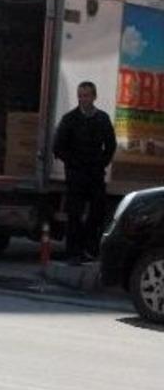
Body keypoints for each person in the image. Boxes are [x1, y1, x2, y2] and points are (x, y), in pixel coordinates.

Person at [52, 81, 116, 264]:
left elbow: (110, 145)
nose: (83, 99)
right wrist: (73, 164)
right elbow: (58, 147)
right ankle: (73, 252)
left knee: (97, 213)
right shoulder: (70, 119)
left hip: (95, 174)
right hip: (76, 176)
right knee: (74, 215)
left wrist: (101, 163)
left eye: (86, 95)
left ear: (94, 97)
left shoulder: (102, 119)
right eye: (80, 95)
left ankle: (90, 249)